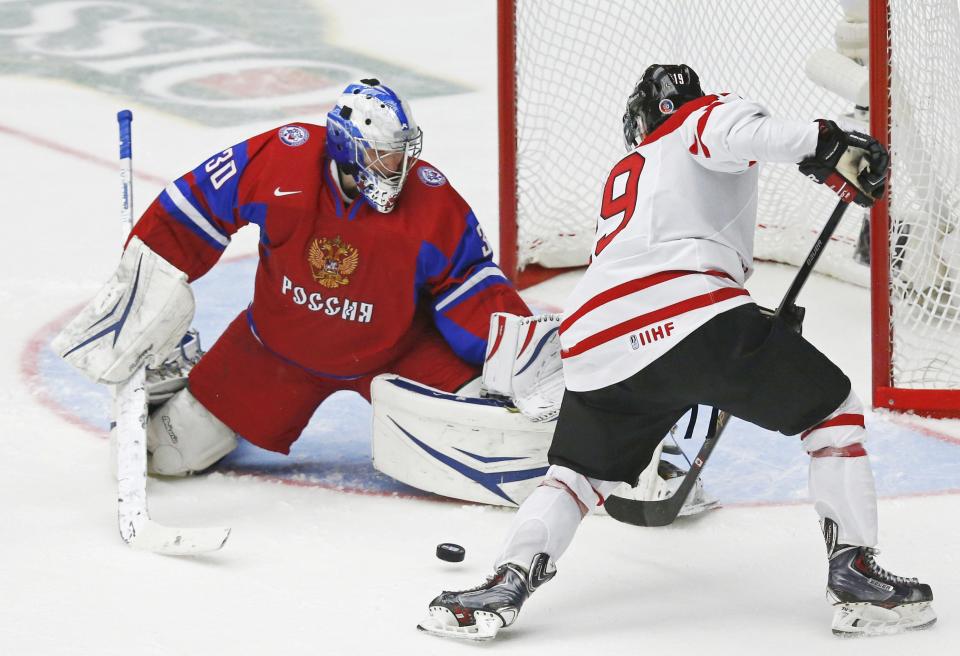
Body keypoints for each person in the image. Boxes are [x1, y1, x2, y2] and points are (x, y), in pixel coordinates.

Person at [418, 64, 935, 640]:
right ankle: (856, 577)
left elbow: (664, 255)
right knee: (833, 413)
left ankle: (505, 582)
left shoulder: (633, 167)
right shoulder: (700, 116)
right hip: (685, 315)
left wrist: (744, 323)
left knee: (575, 476)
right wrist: (827, 142)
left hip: (594, 338)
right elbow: (739, 135)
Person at [52, 78, 531, 473]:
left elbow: (474, 289)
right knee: (166, 456)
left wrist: (524, 364)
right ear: (347, 148)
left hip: (398, 352)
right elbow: (195, 206)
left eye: (404, 152)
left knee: (494, 436)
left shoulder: (430, 201)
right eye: (385, 154)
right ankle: (175, 366)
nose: (400, 167)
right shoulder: (285, 159)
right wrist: (147, 283)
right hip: (274, 352)